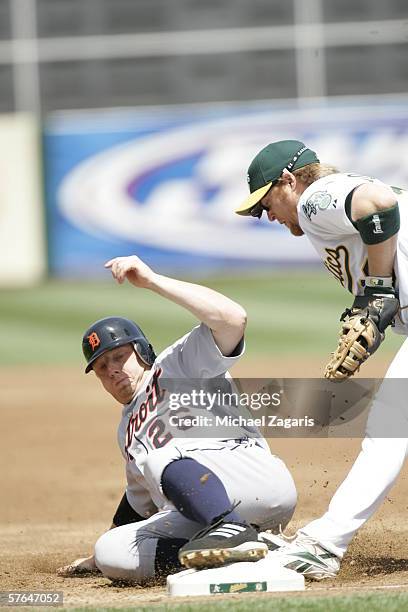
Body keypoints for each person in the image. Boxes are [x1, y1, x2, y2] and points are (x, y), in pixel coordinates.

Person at [57, 255, 297, 582]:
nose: (112, 369)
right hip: (202, 512)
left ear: (141, 351)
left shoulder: (179, 363)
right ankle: (251, 553)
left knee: (159, 456)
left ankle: (233, 530)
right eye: (101, 367)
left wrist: (153, 280)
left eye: (119, 356)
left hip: (252, 478)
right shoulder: (126, 431)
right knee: (111, 550)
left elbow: (233, 318)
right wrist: (94, 557)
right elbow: (137, 504)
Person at [235, 140, 408, 580]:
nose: (267, 216)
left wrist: (377, 289)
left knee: (390, 425)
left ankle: (324, 544)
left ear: (289, 181)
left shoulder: (315, 199)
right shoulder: (323, 206)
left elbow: (379, 203)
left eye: (266, 202)